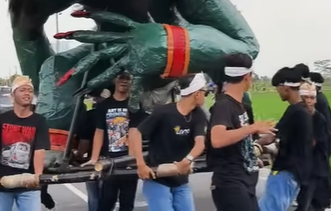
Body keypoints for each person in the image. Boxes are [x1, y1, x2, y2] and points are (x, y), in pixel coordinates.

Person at [130, 73, 209, 211]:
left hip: (180, 179)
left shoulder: (198, 115)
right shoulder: (163, 112)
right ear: (196, 93)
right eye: (205, 92)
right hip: (158, 178)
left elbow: (200, 143)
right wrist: (141, 164)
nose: (206, 95)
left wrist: (188, 159)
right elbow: (137, 133)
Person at [207, 68, 275, 211]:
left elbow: (240, 139)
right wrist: (252, 128)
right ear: (247, 77)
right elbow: (217, 139)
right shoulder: (224, 105)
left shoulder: (240, 106)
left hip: (245, 182)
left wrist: (260, 139)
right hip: (231, 183)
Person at [0, 76, 50, 211]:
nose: (27, 93)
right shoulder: (0, 119)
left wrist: (37, 176)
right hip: (1, 182)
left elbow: (40, 151)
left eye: (30, 90)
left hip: (29, 184)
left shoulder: (40, 121)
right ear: (13, 95)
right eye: (22, 90)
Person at [85, 72, 145, 211]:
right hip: (109, 162)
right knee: (106, 201)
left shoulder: (135, 105)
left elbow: (134, 132)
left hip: (128, 160)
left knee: (127, 203)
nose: (124, 81)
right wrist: (94, 158)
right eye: (121, 78)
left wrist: (132, 159)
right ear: (114, 80)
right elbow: (99, 132)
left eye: (128, 78)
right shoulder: (103, 106)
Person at [258, 64, 313, 211]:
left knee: (269, 208)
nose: (277, 92)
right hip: (298, 171)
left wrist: (255, 145)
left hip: (286, 171)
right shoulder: (304, 109)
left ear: (285, 88)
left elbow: (272, 137)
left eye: (277, 88)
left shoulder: (294, 111)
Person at [295, 83, 331, 211]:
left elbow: (313, 142)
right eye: (305, 97)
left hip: (316, 166)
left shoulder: (318, 118)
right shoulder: (297, 115)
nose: (309, 101)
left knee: (308, 203)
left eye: (312, 97)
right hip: (303, 166)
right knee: (306, 202)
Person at [309, 72, 331, 207]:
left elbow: (323, 122)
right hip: (327, 137)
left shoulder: (318, 101)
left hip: (324, 139)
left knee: (320, 169)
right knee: (322, 168)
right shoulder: (321, 98)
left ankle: (327, 200)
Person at [76, 89, 111, 211]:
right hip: (112, 158)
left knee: (94, 196)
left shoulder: (88, 114)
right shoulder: (112, 112)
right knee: (107, 195)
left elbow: (85, 139)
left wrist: (79, 156)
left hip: (92, 160)